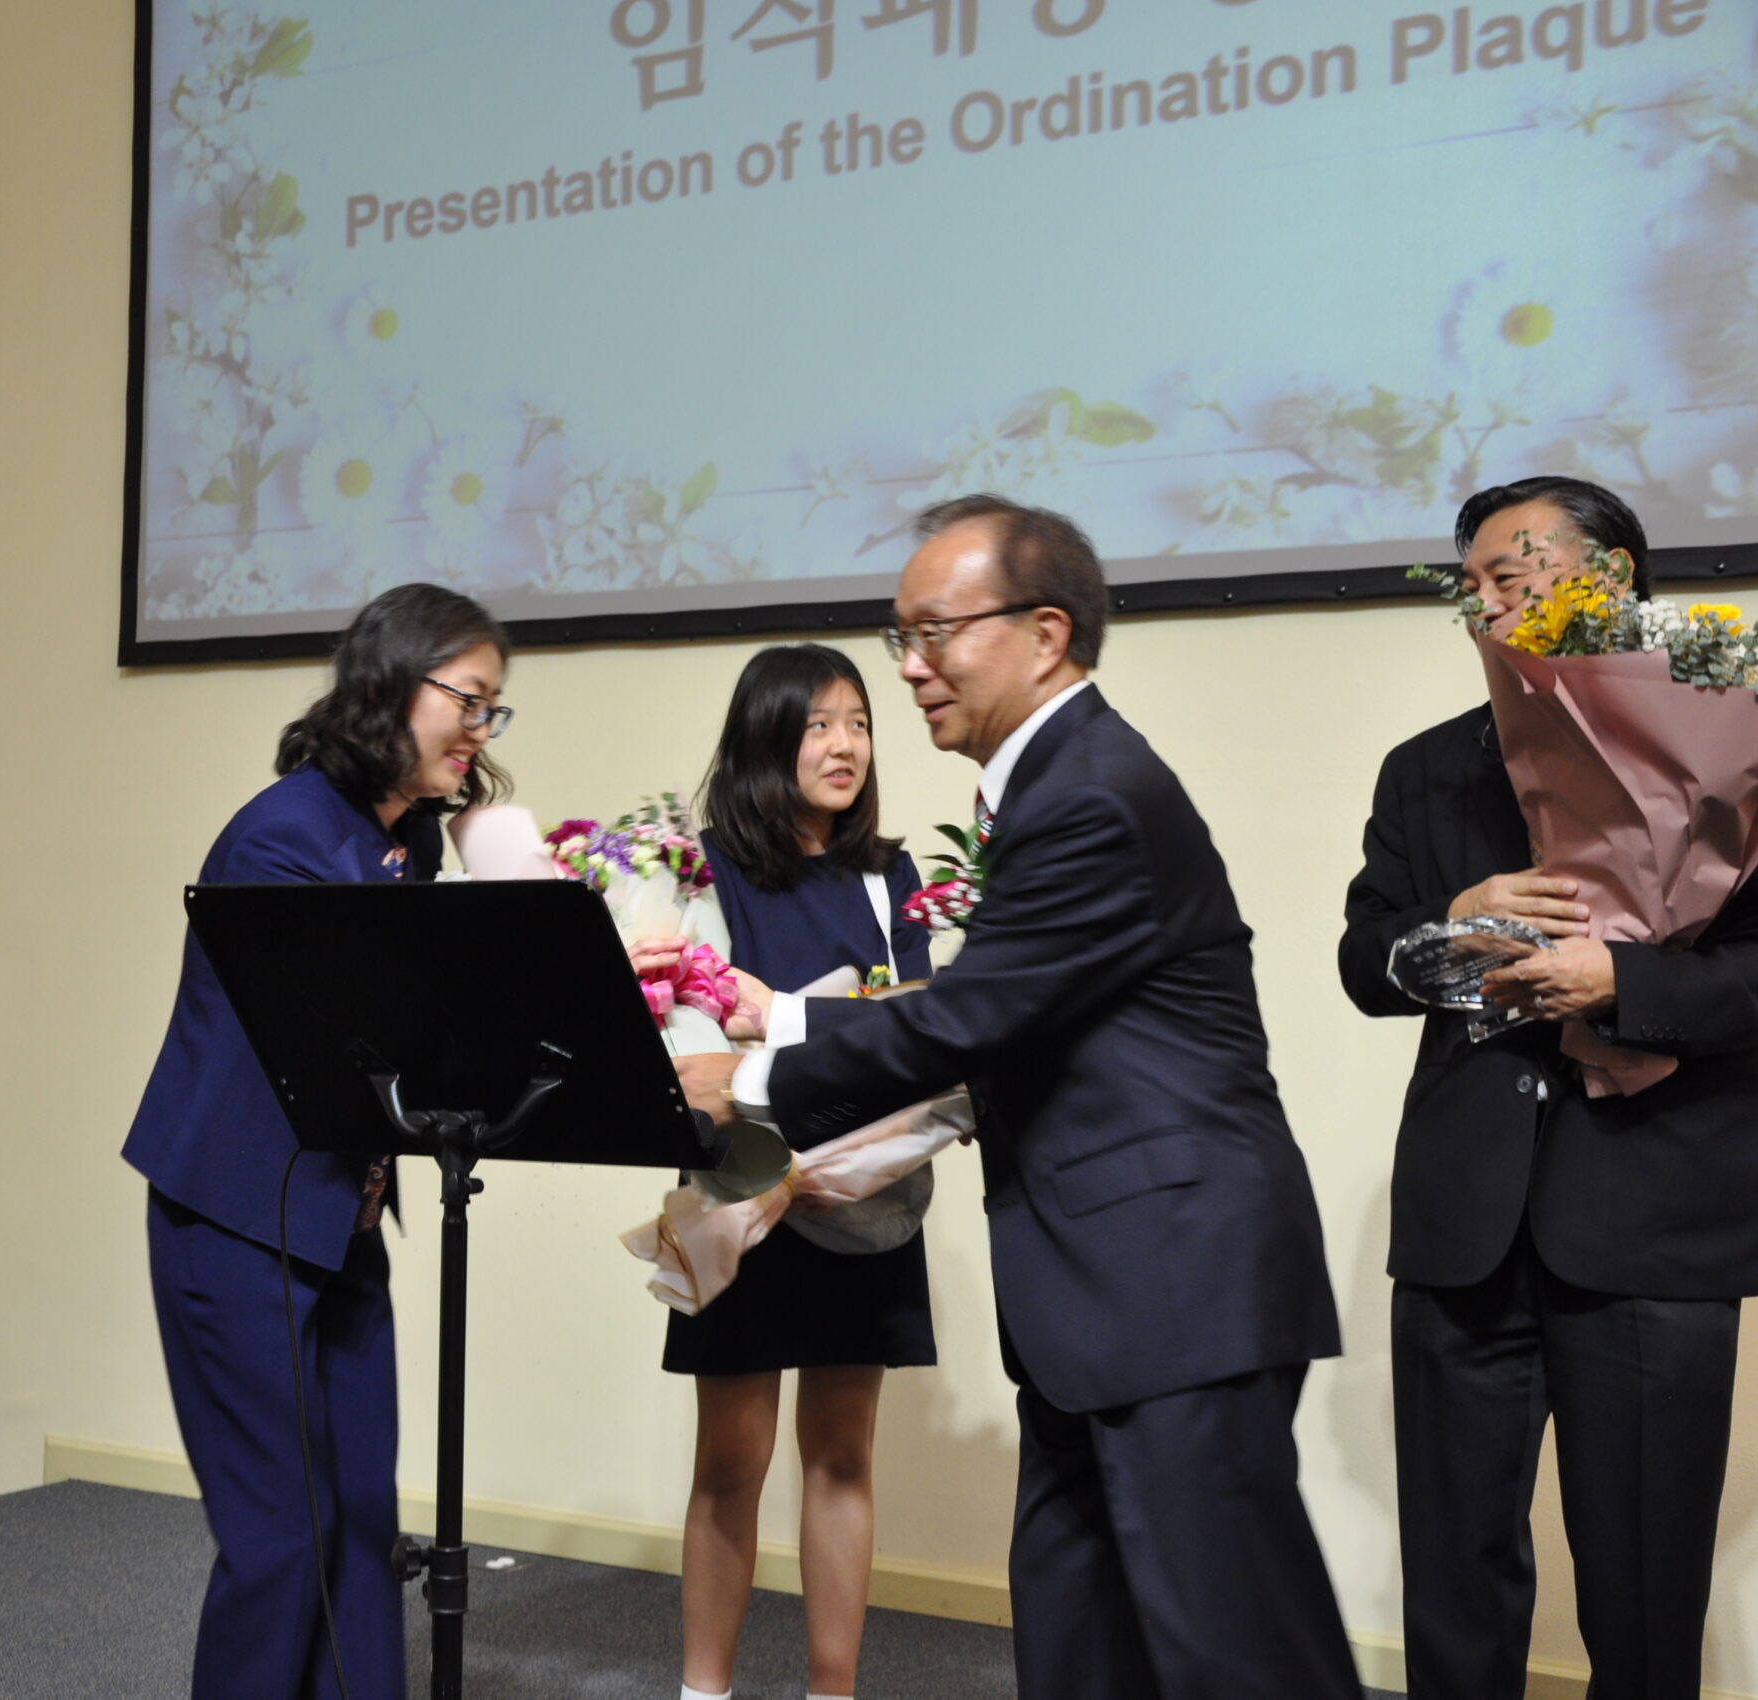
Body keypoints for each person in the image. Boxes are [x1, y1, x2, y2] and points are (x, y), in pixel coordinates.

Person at [677, 495, 1357, 1700]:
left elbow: (969, 1017)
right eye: (901, 635)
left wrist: (754, 1070)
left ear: (1045, 634)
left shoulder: (1089, 791)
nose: (909, 667)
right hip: (1099, 1295)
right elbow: (993, 1011)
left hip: (1171, 1281)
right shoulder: (1047, 784)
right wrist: (775, 1024)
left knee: (1234, 1654)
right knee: (1080, 1635)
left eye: (935, 631)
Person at [1339, 475, 1758, 1700]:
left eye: (1511, 574)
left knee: (1643, 1582)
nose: (1485, 602)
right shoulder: (1427, 768)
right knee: (1453, 1574)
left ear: (1610, 576)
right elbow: (1363, 960)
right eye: (1469, 583)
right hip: (1463, 1227)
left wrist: (1625, 981)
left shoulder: (1737, 737)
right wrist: (1449, 920)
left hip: (1652, 1223)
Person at [121, 583, 516, 1700]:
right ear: (392, 685)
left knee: (358, 1519)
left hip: (340, 1219)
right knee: (281, 1534)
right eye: (469, 700)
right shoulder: (282, 836)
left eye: (492, 707)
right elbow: (369, 1032)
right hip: (237, 1218)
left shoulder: (405, 838)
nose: (481, 729)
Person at [668, 644, 937, 1700]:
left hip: (865, 1193)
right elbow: (697, 1064)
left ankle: (834, 1690)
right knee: (731, 1460)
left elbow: (920, 1035)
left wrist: (780, 1031)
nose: (844, 744)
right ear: (764, 737)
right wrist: (840, 1041)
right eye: (818, 723)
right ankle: (703, 1691)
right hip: (745, 1191)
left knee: (841, 1453)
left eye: (858, 722)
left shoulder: (892, 875)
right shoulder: (701, 870)